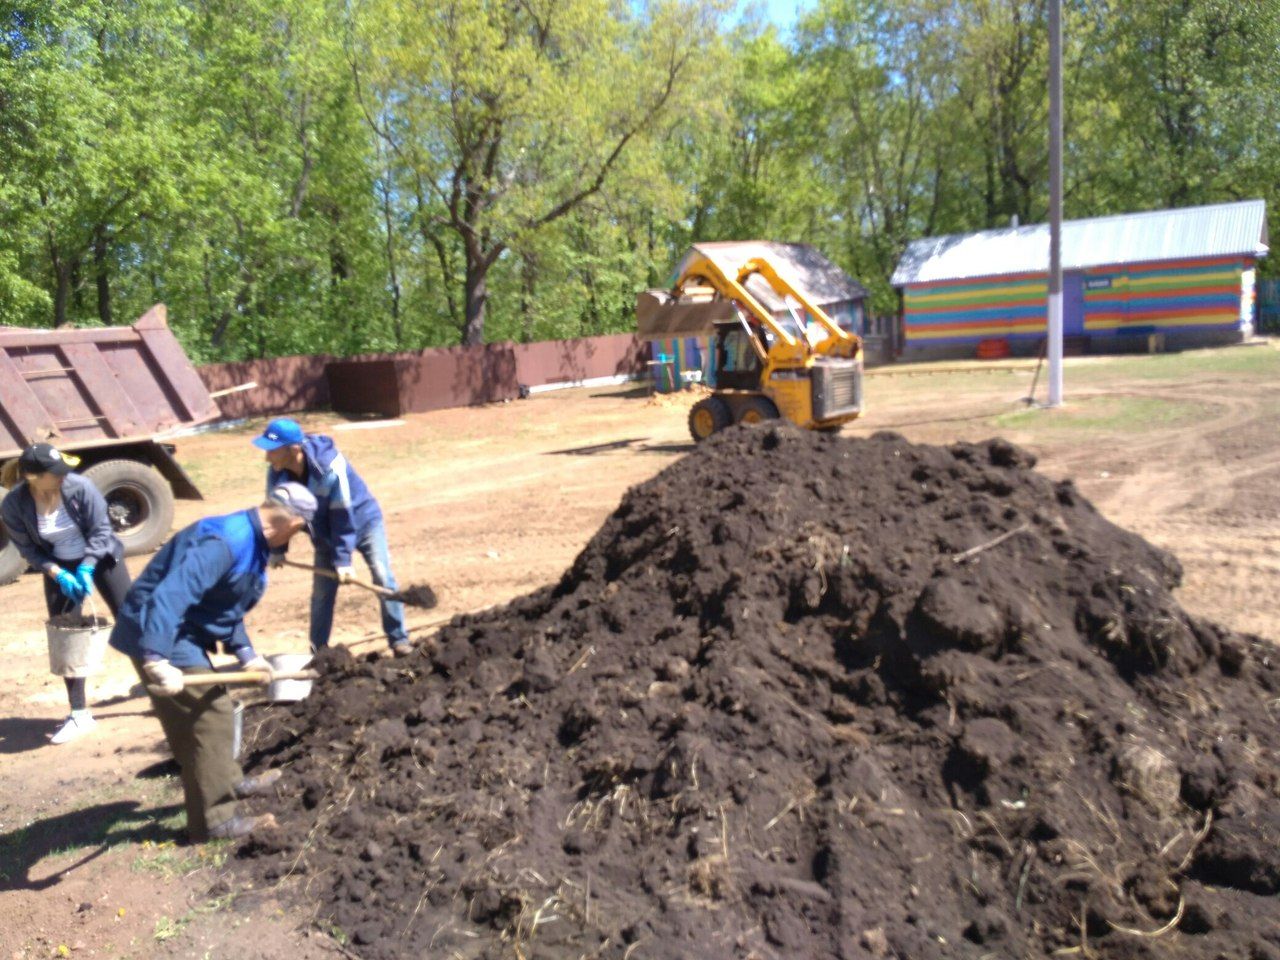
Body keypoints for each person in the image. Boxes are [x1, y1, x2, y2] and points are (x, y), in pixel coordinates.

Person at [108, 482, 317, 842]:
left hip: (176, 629)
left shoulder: (250, 540)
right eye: (300, 532)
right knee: (211, 716)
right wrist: (156, 658)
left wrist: (248, 656)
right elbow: (170, 596)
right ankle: (215, 821)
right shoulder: (226, 543)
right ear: (292, 522)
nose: (296, 540)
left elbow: (223, 603)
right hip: (160, 629)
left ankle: (229, 780)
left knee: (192, 716)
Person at [1, 443, 133, 744]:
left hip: (101, 558)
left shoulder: (80, 488)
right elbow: (28, 549)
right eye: (55, 472)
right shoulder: (13, 505)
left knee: (132, 618)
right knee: (66, 637)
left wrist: (86, 567)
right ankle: (79, 714)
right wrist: (57, 573)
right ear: (34, 477)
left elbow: (101, 532)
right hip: (58, 568)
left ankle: (161, 692)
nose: (63, 475)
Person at [252, 417, 412, 657]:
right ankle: (319, 653)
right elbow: (278, 513)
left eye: (272, 451)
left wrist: (343, 560)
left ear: (293, 449)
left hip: (363, 522)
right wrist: (277, 549)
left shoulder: (329, 466)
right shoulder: (277, 475)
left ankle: (399, 640)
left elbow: (342, 515)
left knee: (382, 577)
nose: (266, 457)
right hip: (325, 536)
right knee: (322, 594)